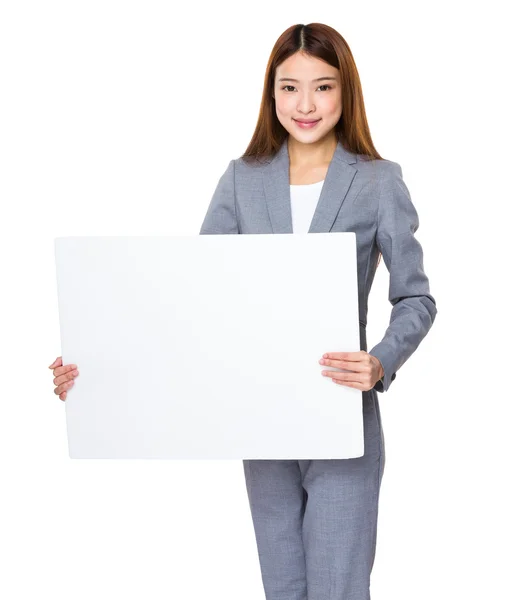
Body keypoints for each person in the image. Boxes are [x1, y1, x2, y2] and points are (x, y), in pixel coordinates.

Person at [49, 22, 437, 600]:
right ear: (271, 93)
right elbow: (191, 299)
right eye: (289, 88)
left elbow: (416, 298)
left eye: (323, 87)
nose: (305, 105)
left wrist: (380, 361)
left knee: (338, 590)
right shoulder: (242, 179)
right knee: (283, 591)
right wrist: (96, 365)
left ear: (345, 92)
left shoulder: (379, 182)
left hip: (341, 417)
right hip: (259, 418)